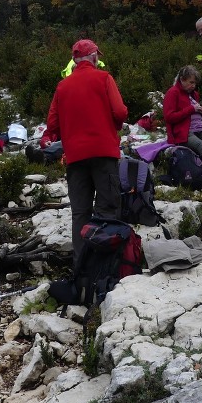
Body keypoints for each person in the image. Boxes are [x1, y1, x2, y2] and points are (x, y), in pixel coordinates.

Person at [46, 39, 128, 263]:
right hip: (104, 153)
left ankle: (81, 268)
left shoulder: (63, 86)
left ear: (74, 60)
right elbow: (120, 112)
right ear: (93, 57)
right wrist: (113, 125)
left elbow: (52, 124)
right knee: (107, 208)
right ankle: (105, 266)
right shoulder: (104, 78)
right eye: (97, 55)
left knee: (80, 213)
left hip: (75, 158)